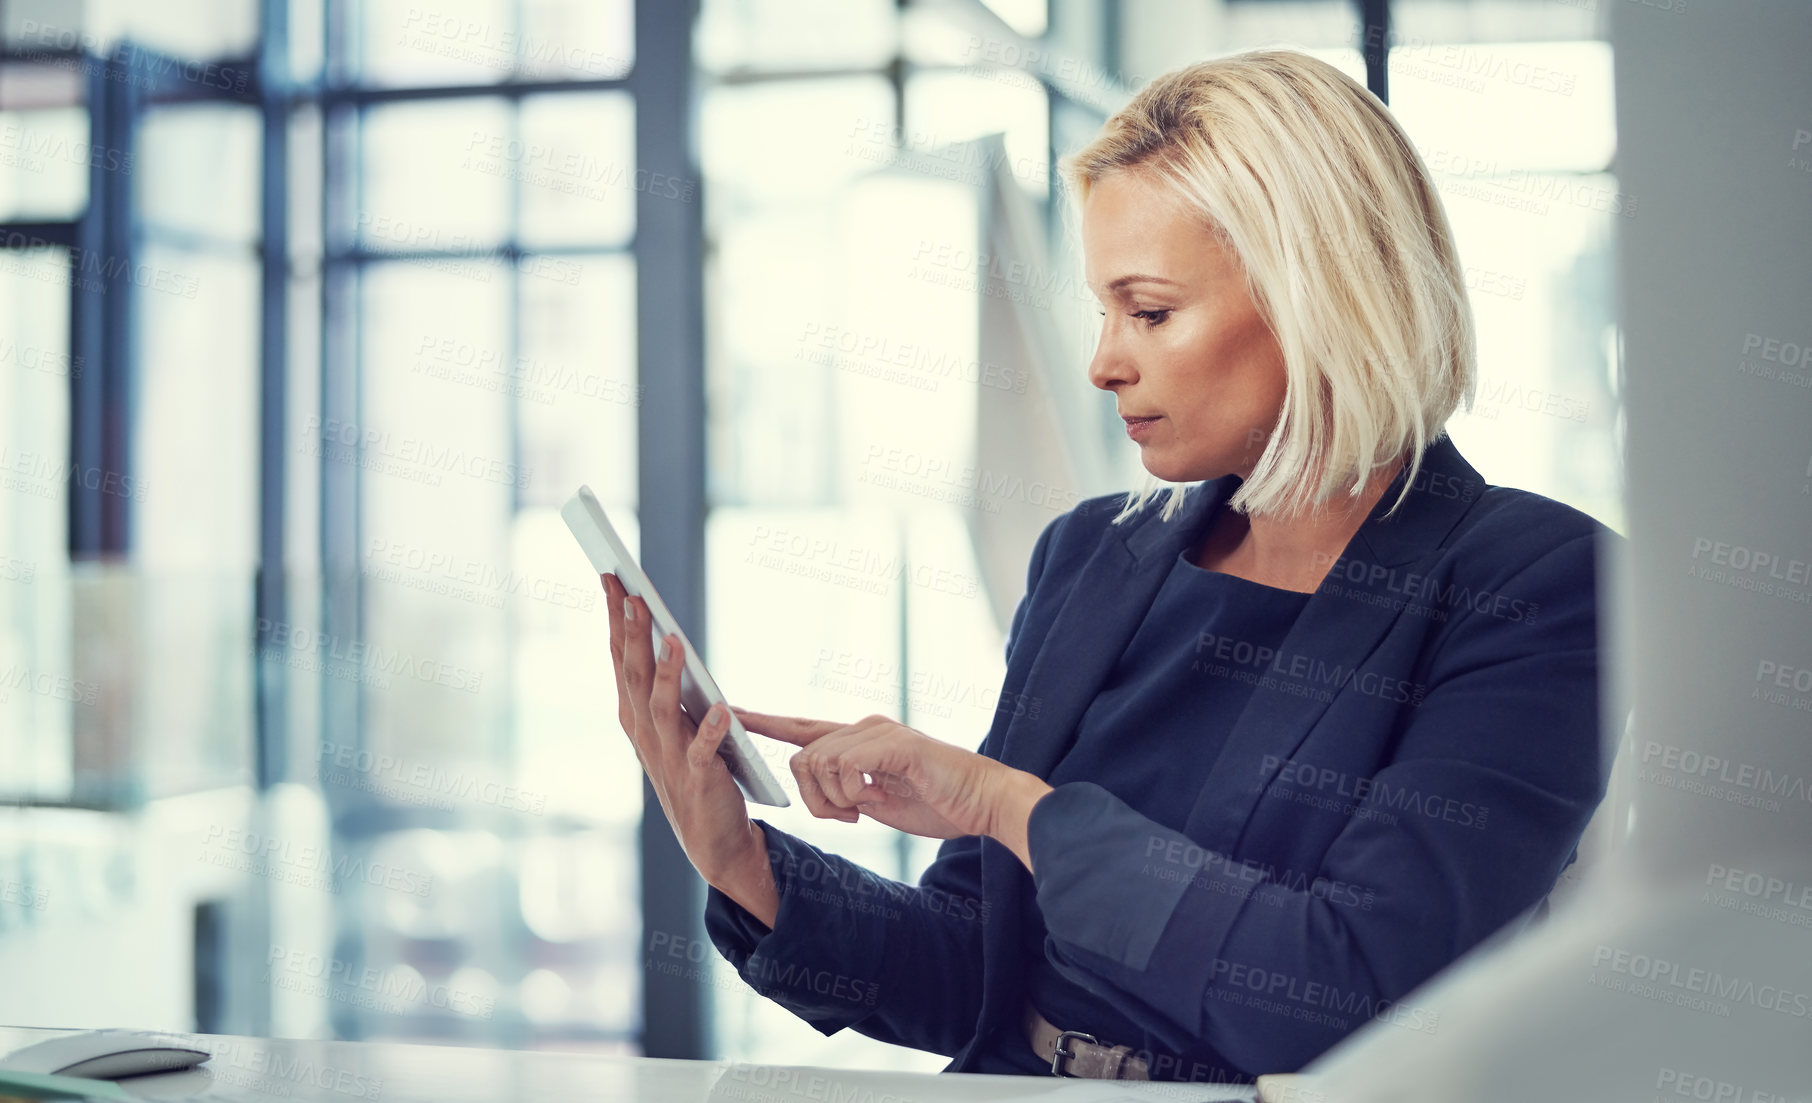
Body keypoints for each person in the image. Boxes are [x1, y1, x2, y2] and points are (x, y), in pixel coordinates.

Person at [601, 48, 1620, 1084]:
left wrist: (1008, 805)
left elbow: (1347, 993)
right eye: (1101, 309)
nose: (1103, 362)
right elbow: (972, 972)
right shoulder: (1094, 554)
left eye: (1151, 310)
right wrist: (742, 861)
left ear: (1318, 299)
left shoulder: (1536, 585)